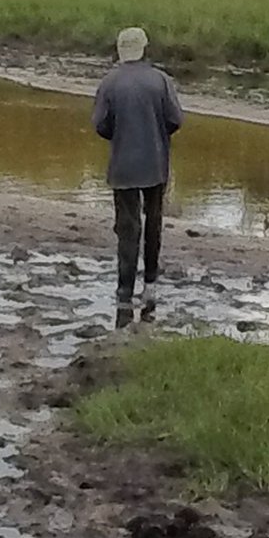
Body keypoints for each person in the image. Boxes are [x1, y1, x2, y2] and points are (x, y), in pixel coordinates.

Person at [91, 26, 185, 325]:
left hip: (122, 166)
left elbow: (101, 125)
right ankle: (151, 284)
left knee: (127, 228)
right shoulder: (161, 80)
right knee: (153, 222)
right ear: (144, 49)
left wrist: (122, 137)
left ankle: (124, 290)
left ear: (120, 51)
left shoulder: (109, 82)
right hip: (156, 163)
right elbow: (175, 119)